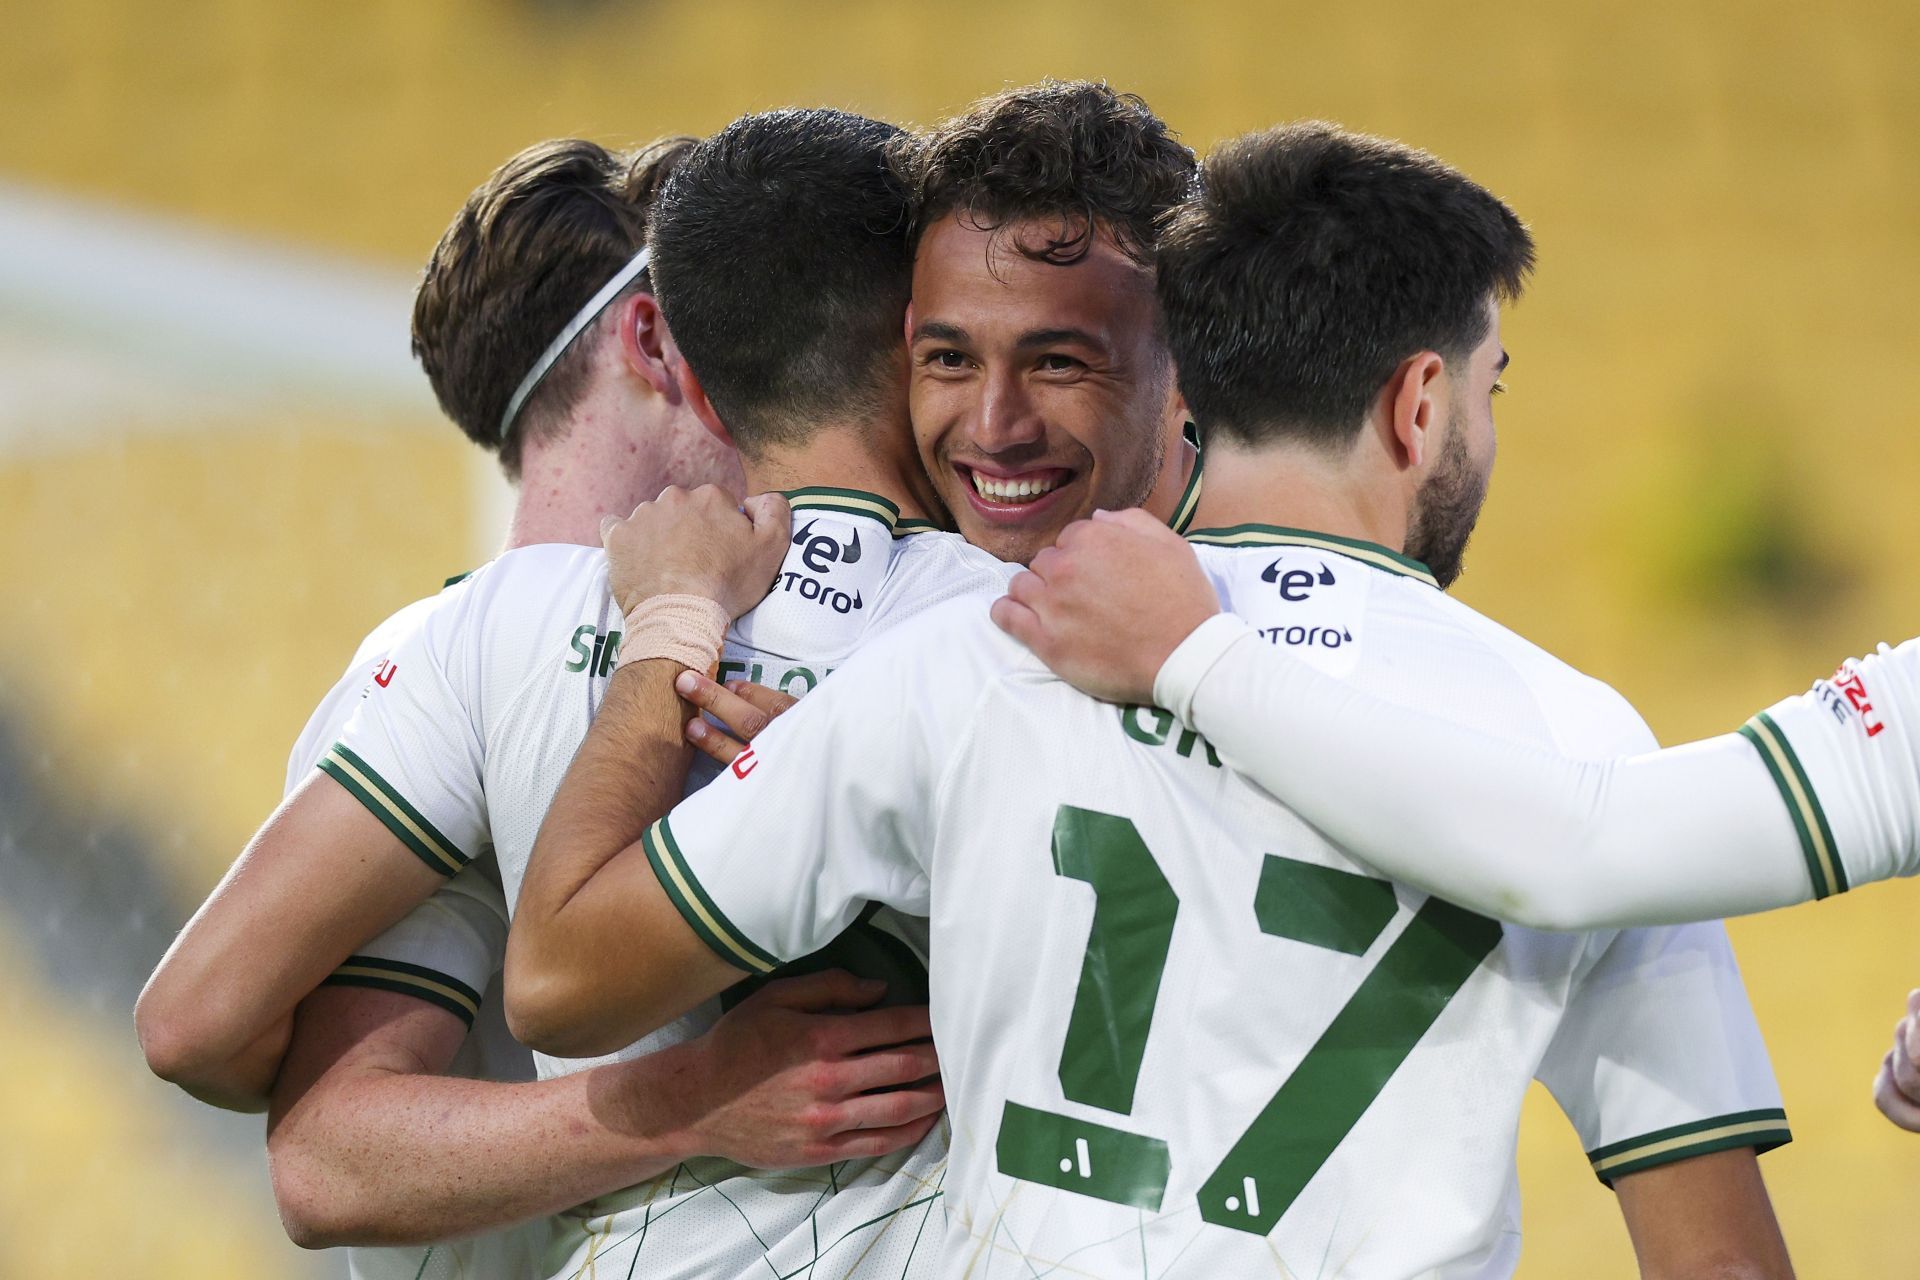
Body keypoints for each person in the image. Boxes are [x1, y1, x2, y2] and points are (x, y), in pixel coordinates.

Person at [513, 122, 1795, 1278]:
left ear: (1192, 376)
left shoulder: (970, 662)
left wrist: (688, 647)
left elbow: (562, 976)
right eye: (1488, 387)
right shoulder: (1580, 743)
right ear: (1417, 405)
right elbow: (1719, 1259)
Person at [135, 137, 932, 1278]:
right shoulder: (454, 656)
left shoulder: (676, 621)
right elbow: (244, 1076)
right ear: (654, 339)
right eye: (727, 323)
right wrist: (690, 1097)